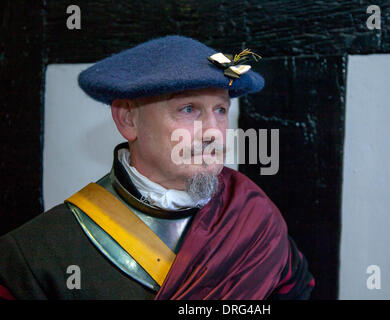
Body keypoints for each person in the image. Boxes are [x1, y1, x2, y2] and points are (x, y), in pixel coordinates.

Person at [0, 35, 314, 300]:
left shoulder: (253, 217)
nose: (213, 132)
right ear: (127, 119)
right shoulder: (36, 255)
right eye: (188, 109)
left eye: (220, 110)